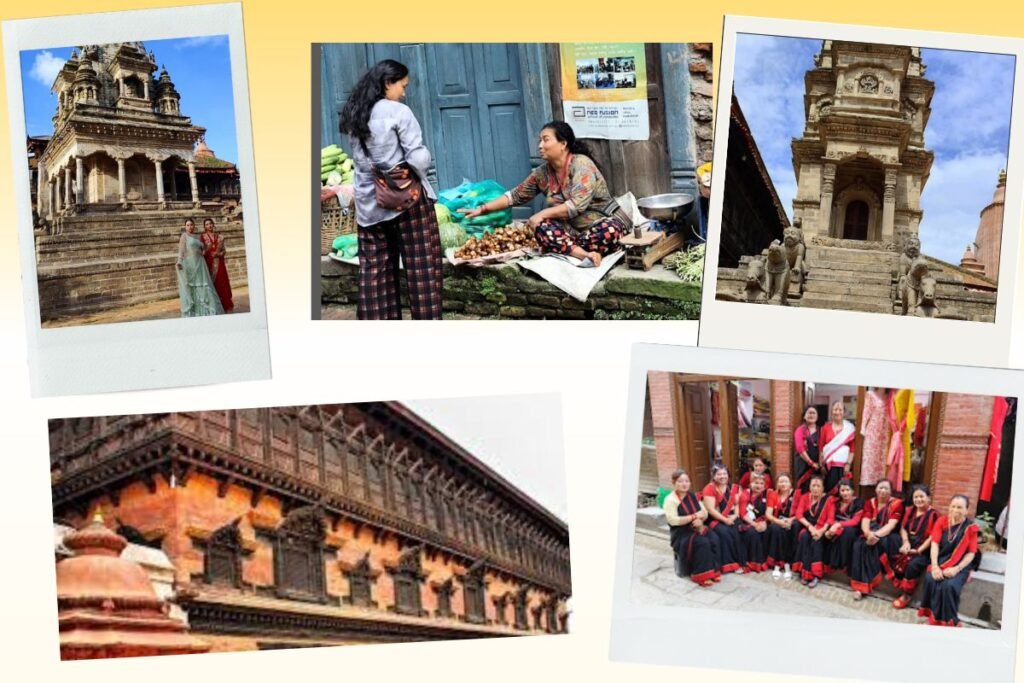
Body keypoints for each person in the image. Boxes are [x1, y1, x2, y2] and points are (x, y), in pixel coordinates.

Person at [340, 59, 442, 320]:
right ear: (387, 83)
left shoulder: (356, 114)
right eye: (402, 86)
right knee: (422, 273)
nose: (404, 93)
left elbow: (361, 162)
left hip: (369, 204)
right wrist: (427, 161)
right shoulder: (398, 111)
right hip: (407, 202)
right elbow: (417, 158)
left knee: (374, 274)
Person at [461, 121, 628, 267]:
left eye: (545, 140)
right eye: (539, 141)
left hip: (599, 224)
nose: (540, 145)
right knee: (542, 228)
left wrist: (542, 214)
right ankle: (583, 254)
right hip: (571, 231)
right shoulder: (542, 173)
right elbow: (514, 196)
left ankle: (568, 248)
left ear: (563, 143)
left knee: (610, 231)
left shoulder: (582, 165)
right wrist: (483, 209)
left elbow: (576, 206)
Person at [918, 495, 980, 627]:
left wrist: (956, 569)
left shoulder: (970, 528)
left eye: (959, 507)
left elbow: (971, 553)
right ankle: (933, 618)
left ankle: (950, 621)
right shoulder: (941, 521)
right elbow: (934, 544)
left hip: (961, 564)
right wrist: (935, 566)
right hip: (940, 560)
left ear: (966, 510)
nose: (955, 510)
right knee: (931, 579)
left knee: (949, 586)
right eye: (953, 506)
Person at [848, 479, 904, 599]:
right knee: (859, 544)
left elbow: (891, 525)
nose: (883, 491)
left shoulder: (897, 504)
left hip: (888, 535)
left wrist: (876, 535)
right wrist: (868, 534)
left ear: (891, 491)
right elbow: (865, 520)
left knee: (872, 546)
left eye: (886, 488)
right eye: (880, 488)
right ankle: (860, 585)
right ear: (876, 489)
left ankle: (864, 586)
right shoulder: (870, 502)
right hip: (871, 532)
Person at [663, 469, 719, 586]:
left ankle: (712, 570)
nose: (684, 484)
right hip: (682, 533)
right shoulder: (670, 500)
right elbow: (673, 520)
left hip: (697, 527)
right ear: (674, 483)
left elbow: (704, 512)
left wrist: (700, 520)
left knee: (714, 537)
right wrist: (694, 517)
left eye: (687, 481)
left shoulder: (692, 496)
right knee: (702, 542)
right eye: (680, 481)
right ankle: (700, 575)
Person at [891, 485, 939, 609]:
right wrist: (905, 542)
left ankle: (906, 594)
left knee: (913, 564)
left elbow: (932, 537)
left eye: (921, 496)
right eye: (915, 497)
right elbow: (903, 528)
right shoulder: (910, 511)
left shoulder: (934, 515)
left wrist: (918, 550)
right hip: (909, 544)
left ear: (928, 498)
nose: (918, 500)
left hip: (924, 549)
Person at [701, 464, 748, 574]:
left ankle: (741, 562)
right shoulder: (709, 488)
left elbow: (737, 504)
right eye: (719, 474)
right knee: (726, 532)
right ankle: (729, 564)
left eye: (724, 473)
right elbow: (711, 510)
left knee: (739, 529)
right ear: (713, 476)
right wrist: (725, 520)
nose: (722, 476)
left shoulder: (733, 487)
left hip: (731, 516)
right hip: (715, 518)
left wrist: (735, 515)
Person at [792, 475, 835, 587]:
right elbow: (799, 514)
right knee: (805, 537)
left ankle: (816, 575)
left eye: (818, 486)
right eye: (813, 486)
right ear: (810, 487)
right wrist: (810, 527)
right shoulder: (805, 497)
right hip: (808, 528)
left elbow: (830, 519)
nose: (815, 488)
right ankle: (804, 572)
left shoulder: (829, 500)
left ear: (823, 488)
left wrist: (821, 531)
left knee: (816, 541)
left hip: (822, 529)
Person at [176, 218, 224, 318]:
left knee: (204, 285)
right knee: (192, 286)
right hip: (190, 264)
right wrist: (179, 261)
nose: (190, 227)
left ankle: (206, 309)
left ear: (194, 226)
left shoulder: (198, 237)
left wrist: (205, 250)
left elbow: (203, 249)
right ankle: (193, 311)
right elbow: (181, 250)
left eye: (191, 225)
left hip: (201, 264)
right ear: (185, 227)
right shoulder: (184, 236)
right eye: (188, 225)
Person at [824, 479, 864, 574]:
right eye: (842, 490)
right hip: (836, 526)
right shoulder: (836, 502)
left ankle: (843, 563)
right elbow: (830, 518)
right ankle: (830, 563)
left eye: (847, 490)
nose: (845, 493)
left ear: (853, 490)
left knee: (847, 532)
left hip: (851, 528)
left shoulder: (859, 502)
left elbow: (855, 521)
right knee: (827, 532)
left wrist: (838, 525)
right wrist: (833, 527)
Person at [766, 473, 801, 579]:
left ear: (790, 483)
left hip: (792, 521)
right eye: (781, 481)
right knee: (775, 529)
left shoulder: (797, 494)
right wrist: (778, 522)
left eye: (786, 481)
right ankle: (778, 562)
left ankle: (789, 562)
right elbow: (768, 514)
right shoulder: (773, 494)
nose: (783, 484)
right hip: (777, 520)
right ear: (777, 483)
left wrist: (790, 520)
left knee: (794, 527)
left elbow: (800, 513)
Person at [820, 401, 856, 496]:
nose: (838, 412)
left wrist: (848, 464)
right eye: (835, 409)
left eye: (840, 409)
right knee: (829, 490)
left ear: (843, 412)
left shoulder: (849, 428)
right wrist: (822, 464)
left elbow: (852, 449)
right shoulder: (826, 428)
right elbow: (821, 447)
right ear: (832, 412)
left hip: (843, 466)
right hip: (829, 466)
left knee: (842, 490)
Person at [199, 217, 234, 313]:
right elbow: (201, 251)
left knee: (222, 283)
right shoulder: (202, 237)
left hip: (220, 264)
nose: (209, 225)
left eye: (210, 223)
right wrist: (206, 252)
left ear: (213, 225)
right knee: (212, 285)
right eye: (206, 224)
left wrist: (218, 254)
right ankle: (214, 306)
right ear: (204, 227)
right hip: (209, 264)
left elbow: (224, 251)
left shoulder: (220, 237)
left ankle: (225, 305)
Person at [737, 472, 770, 572]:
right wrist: (755, 524)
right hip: (747, 522)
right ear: (750, 484)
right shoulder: (745, 494)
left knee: (770, 531)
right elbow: (743, 514)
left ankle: (767, 561)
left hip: (763, 521)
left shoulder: (768, 495)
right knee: (753, 533)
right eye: (756, 483)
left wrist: (765, 523)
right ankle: (751, 563)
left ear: (764, 486)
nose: (758, 485)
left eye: (761, 483)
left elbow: (771, 511)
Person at [793, 406, 821, 494]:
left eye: (813, 413)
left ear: (817, 416)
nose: (811, 415)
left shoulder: (821, 430)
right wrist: (811, 463)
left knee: (816, 487)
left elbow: (823, 448)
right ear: (804, 416)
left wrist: (820, 464)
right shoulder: (800, 430)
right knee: (804, 488)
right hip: (803, 464)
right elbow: (800, 448)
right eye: (809, 413)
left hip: (817, 465)